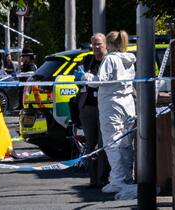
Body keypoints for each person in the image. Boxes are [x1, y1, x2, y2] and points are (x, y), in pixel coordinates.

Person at [79, 30, 137, 196]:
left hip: (112, 105)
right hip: (127, 104)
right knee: (126, 143)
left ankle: (118, 180)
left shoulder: (110, 59)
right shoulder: (128, 60)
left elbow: (98, 82)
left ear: (109, 44)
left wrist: (86, 76)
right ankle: (127, 177)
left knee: (112, 143)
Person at [74, 33, 110, 189]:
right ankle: (93, 179)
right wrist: (79, 79)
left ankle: (104, 178)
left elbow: (104, 82)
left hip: (104, 106)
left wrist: (90, 79)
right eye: (93, 44)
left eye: (99, 44)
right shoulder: (86, 60)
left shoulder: (109, 61)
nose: (95, 47)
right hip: (87, 106)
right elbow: (80, 82)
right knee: (90, 144)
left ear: (106, 45)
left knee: (103, 144)